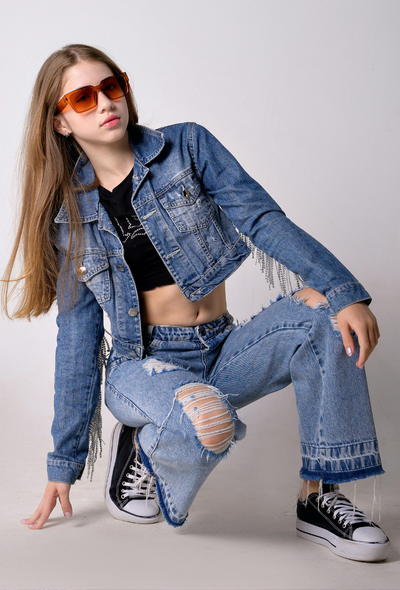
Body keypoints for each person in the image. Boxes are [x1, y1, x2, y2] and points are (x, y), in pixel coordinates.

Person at [2, 43, 390, 562]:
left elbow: (261, 220)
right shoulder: (67, 217)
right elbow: (78, 338)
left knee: (325, 311)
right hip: (142, 366)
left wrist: (344, 291)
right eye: (83, 98)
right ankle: (143, 446)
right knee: (207, 417)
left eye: (112, 86)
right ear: (60, 122)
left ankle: (319, 497)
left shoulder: (187, 147)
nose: (105, 103)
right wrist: (63, 464)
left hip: (221, 346)